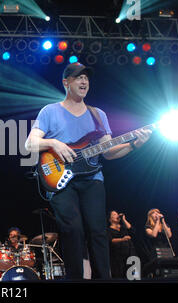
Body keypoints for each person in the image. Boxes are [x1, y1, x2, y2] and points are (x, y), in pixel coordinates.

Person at [25, 62, 152, 279]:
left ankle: (103, 278)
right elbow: (30, 144)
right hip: (61, 179)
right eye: (78, 77)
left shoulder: (98, 114)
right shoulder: (50, 111)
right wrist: (54, 143)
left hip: (93, 178)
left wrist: (133, 145)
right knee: (73, 230)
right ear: (66, 83)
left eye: (86, 78)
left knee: (98, 231)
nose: (84, 81)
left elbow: (109, 152)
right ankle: (75, 278)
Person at [107, 211, 137, 278]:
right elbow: (111, 240)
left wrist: (124, 219)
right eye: (114, 214)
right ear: (110, 219)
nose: (117, 215)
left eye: (117, 214)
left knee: (133, 276)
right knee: (120, 275)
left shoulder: (123, 227)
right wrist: (122, 239)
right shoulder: (108, 230)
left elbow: (132, 230)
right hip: (118, 257)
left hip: (130, 254)